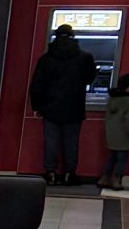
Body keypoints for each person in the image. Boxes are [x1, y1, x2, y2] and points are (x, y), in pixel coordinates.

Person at [29, 21, 96, 186]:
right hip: (74, 107)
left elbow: (37, 85)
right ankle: (69, 174)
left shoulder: (46, 59)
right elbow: (89, 79)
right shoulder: (85, 57)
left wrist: (36, 106)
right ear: (73, 37)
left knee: (51, 142)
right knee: (71, 143)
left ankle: (50, 173)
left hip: (50, 107)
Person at [103, 72, 129, 191]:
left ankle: (104, 178)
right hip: (124, 137)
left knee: (112, 158)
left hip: (112, 136)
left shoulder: (112, 99)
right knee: (122, 160)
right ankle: (116, 180)